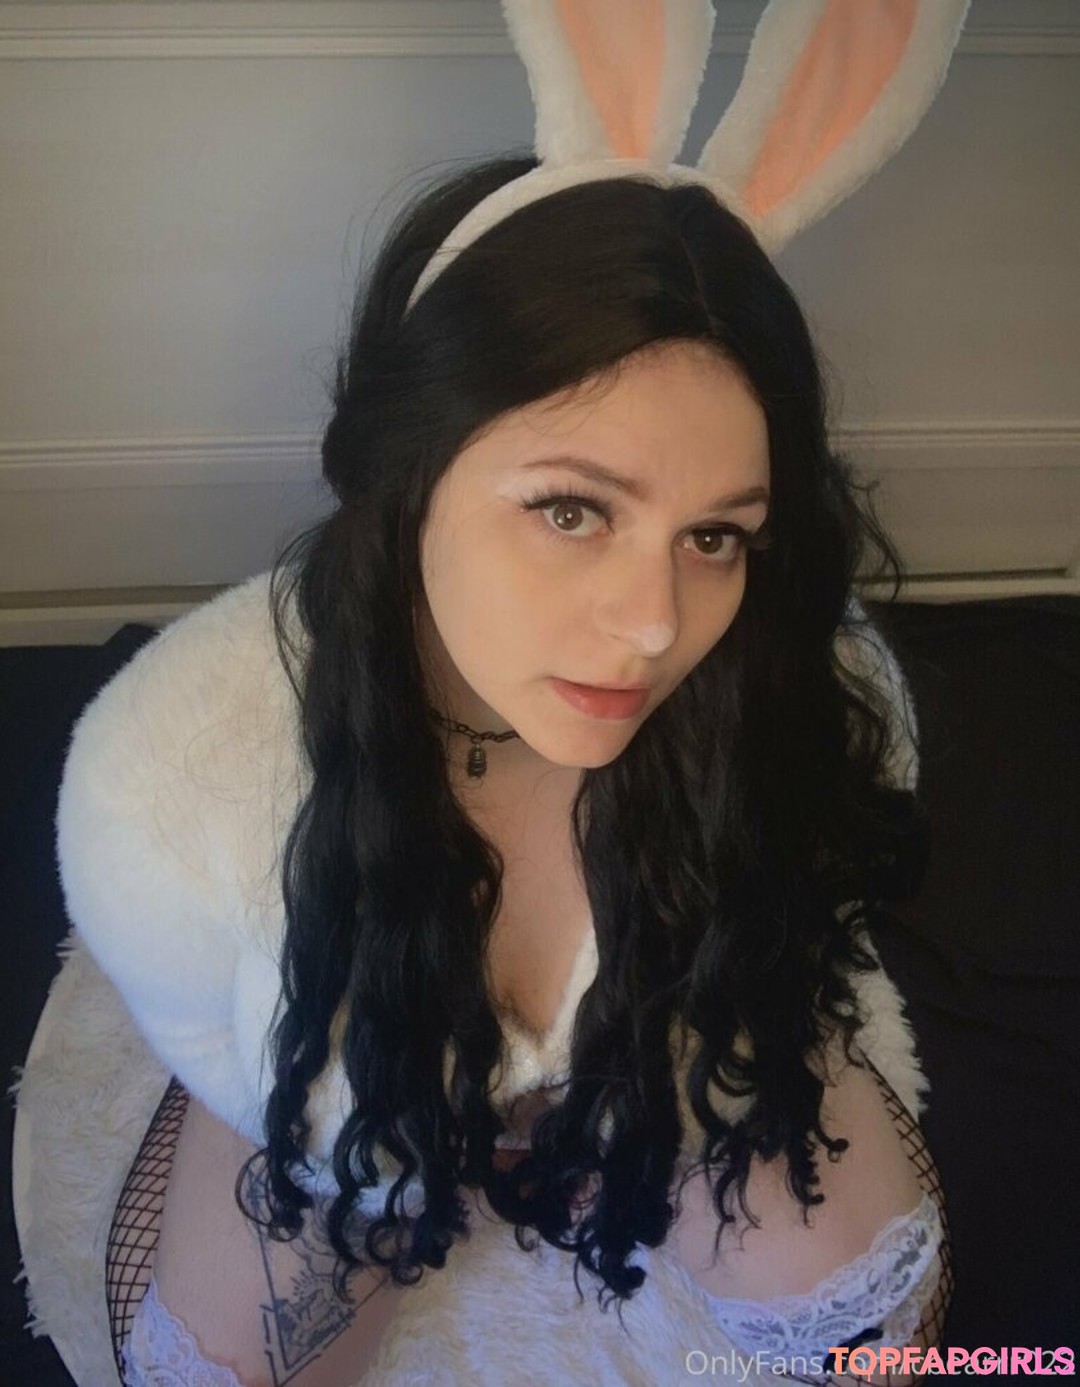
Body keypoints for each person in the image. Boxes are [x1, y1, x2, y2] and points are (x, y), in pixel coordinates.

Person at [13, 4, 970, 1384]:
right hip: (352, 1065)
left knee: (865, 1330)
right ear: (410, 469)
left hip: (658, 1052)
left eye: (715, 535)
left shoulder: (775, 684)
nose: (654, 626)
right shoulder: (214, 771)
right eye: (573, 510)